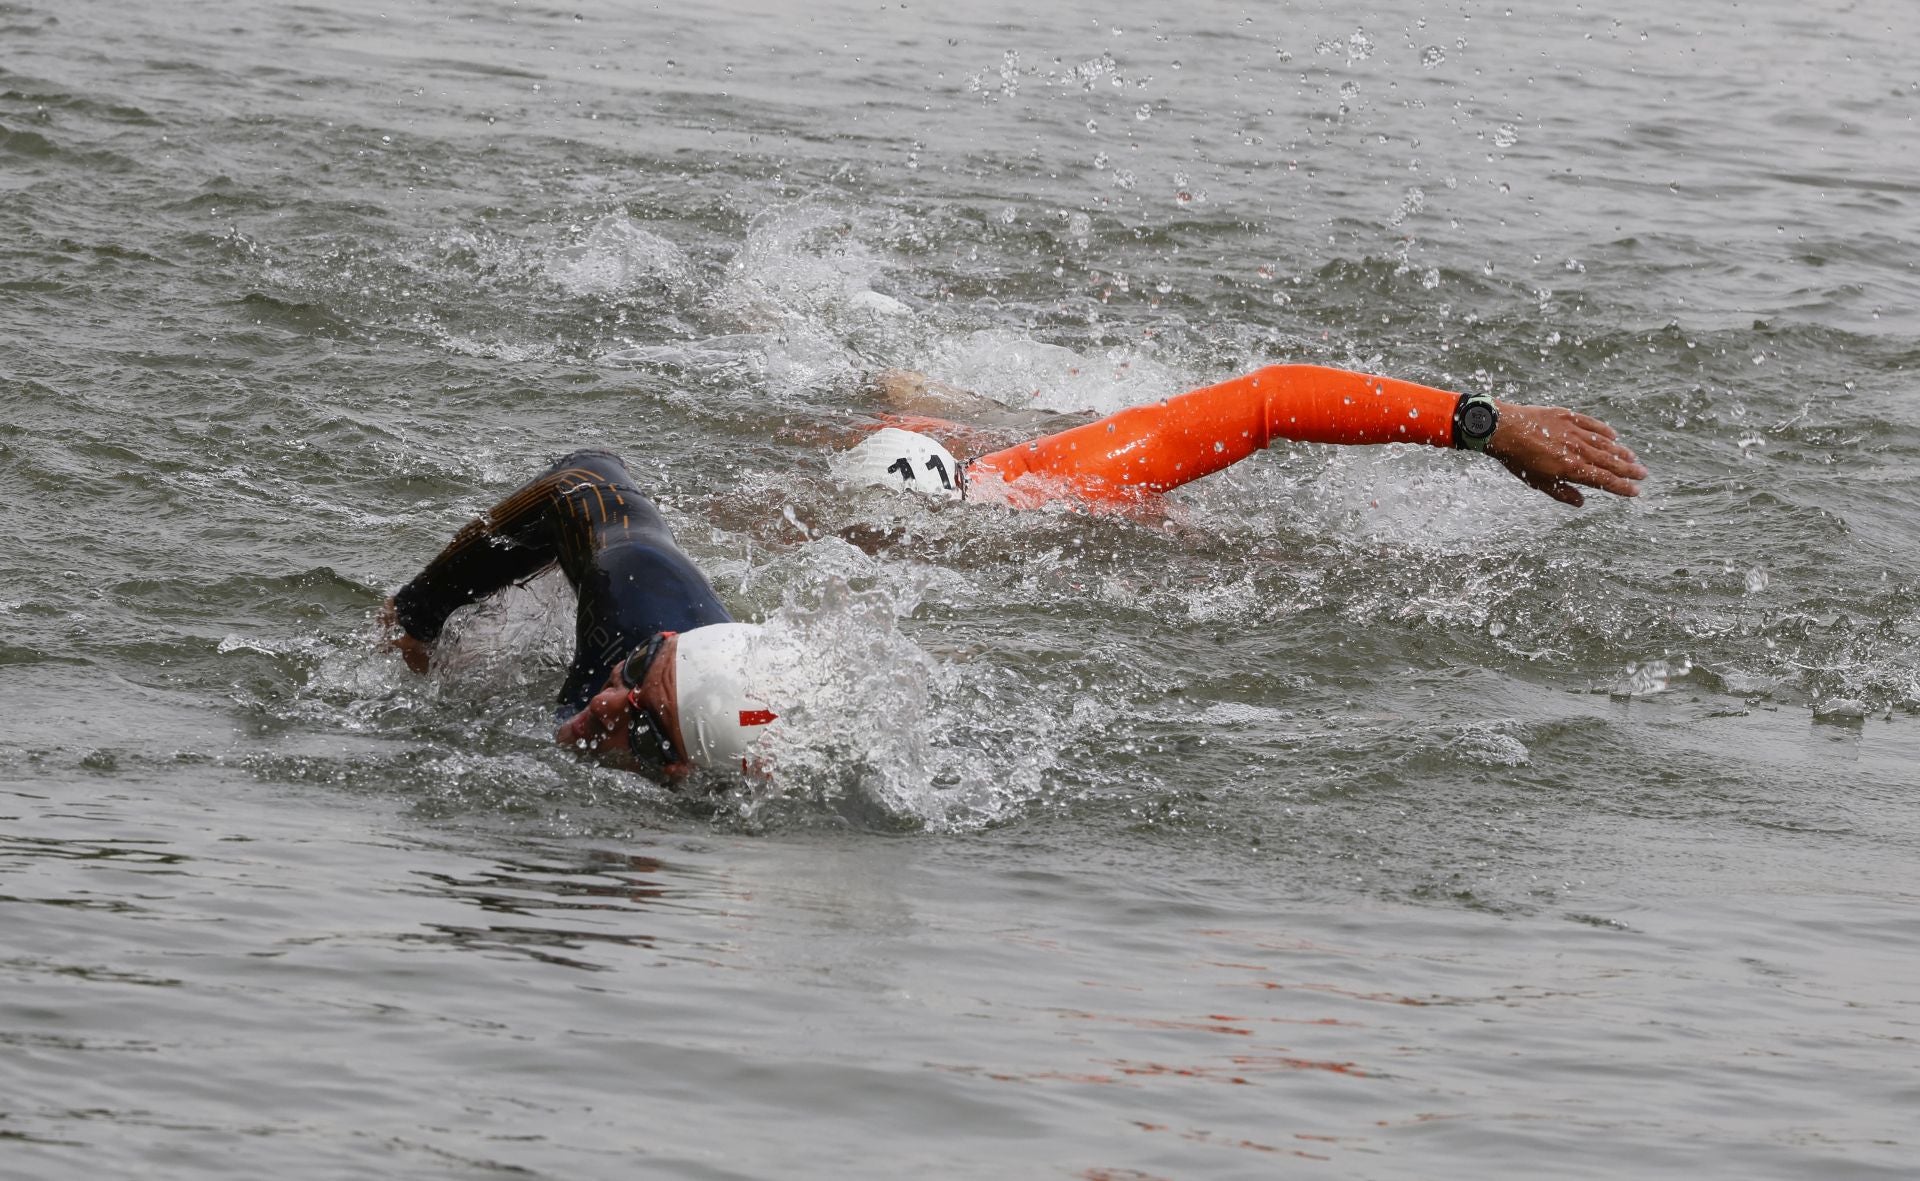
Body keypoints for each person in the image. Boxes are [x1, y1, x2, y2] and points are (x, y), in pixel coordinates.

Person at [380, 363, 1647, 779]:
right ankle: (897, 400)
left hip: (979, 492)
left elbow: (1261, 403)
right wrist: (419, 615)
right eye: (635, 681)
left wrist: (1474, 426)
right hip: (894, 496)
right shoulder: (663, 620)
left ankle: (914, 403)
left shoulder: (1018, 501)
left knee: (1159, 532)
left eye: (635, 706)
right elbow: (590, 480)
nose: (607, 697)